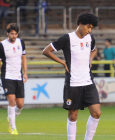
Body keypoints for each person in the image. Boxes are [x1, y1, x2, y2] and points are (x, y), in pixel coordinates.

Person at [43, 12, 101, 140]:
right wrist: (63, 62)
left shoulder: (90, 38)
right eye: (88, 26)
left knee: (97, 113)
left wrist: (90, 60)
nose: (89, 30)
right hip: (73, 82)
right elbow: (46, 51)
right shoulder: (67, 38)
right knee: (73, 116)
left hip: (88, 81)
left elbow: (94, 50)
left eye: (91, 27)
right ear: (80, 24)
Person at [0, 23, 28, 135]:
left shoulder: (21, 43)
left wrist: (25, 72)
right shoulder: (2, 45)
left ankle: (11, 117)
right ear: (7, 33)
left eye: (15, 34)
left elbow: (23, 58)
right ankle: (13, 128)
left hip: (18, 76)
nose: (14, 36)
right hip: (7, 76)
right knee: (11, 100)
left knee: (20, 104)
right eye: (12, 33)